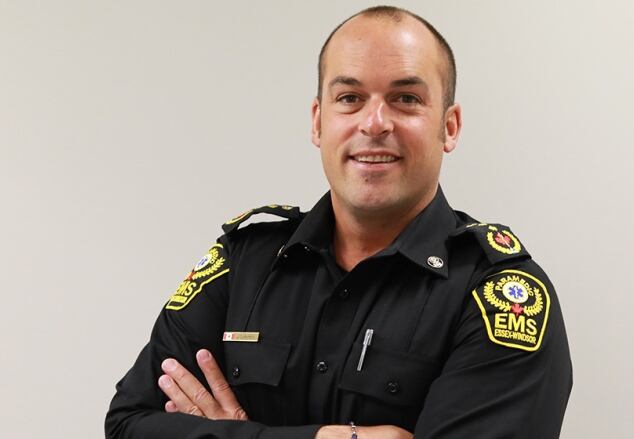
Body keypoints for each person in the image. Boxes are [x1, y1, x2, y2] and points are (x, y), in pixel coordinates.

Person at [105, 6, 572, 439]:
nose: (374, 123)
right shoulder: (243, 263)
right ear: (318, 121)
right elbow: (127, 425)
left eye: (406, 98)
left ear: (449, 127)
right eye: (349, 98)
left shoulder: (503, 298)